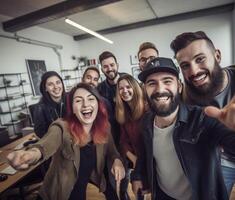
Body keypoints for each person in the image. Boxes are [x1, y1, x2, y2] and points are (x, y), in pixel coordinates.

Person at [131, 57, 235, 200]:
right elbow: (144, 152)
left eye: (167, 81)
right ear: (145, 89)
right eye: (152, 83)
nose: (160, 89)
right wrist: (137, 175)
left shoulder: (202, 119)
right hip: (163, 195)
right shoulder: (146, 122)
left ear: (179, 86)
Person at [7, 83, 125, 200]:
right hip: (56, 194)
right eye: (78, 101)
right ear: (72, 108)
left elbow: (112, 151)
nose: (85, 105)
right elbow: (45, 145)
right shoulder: (62, 127)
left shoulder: (104, 126)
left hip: (79, 192)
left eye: (90, 99)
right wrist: (30, 154)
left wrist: (117, 160)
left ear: (98, 104)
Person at [170, 31, 235, 196]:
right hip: (222, 162)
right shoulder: (187, 98)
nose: (194, 71)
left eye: (200, 59)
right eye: (185, 65)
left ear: (217, 56)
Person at [98, 51, 130, 200]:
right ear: (102, 69)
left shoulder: (127, 82)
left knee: (128, 178)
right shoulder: (99, 89)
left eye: (112, 65)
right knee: (113, 179)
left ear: (117, 65)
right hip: (109, 140)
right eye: (105, 66)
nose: (109, 69)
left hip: (128, 137)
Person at [115, 74, 146, 169]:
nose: (124, 91)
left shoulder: (147, 109)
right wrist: (134, 159)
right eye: (121, 88)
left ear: (135, 88)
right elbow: (123, 142)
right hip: (137, 162)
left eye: (128, 87)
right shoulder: (124, 113)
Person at [33, 71, 66, 138]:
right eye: (50, 84)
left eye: (58, 82)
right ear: (45, 88)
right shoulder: (40, 108)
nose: (56, 87)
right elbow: (41, 134)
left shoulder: (71, 99)